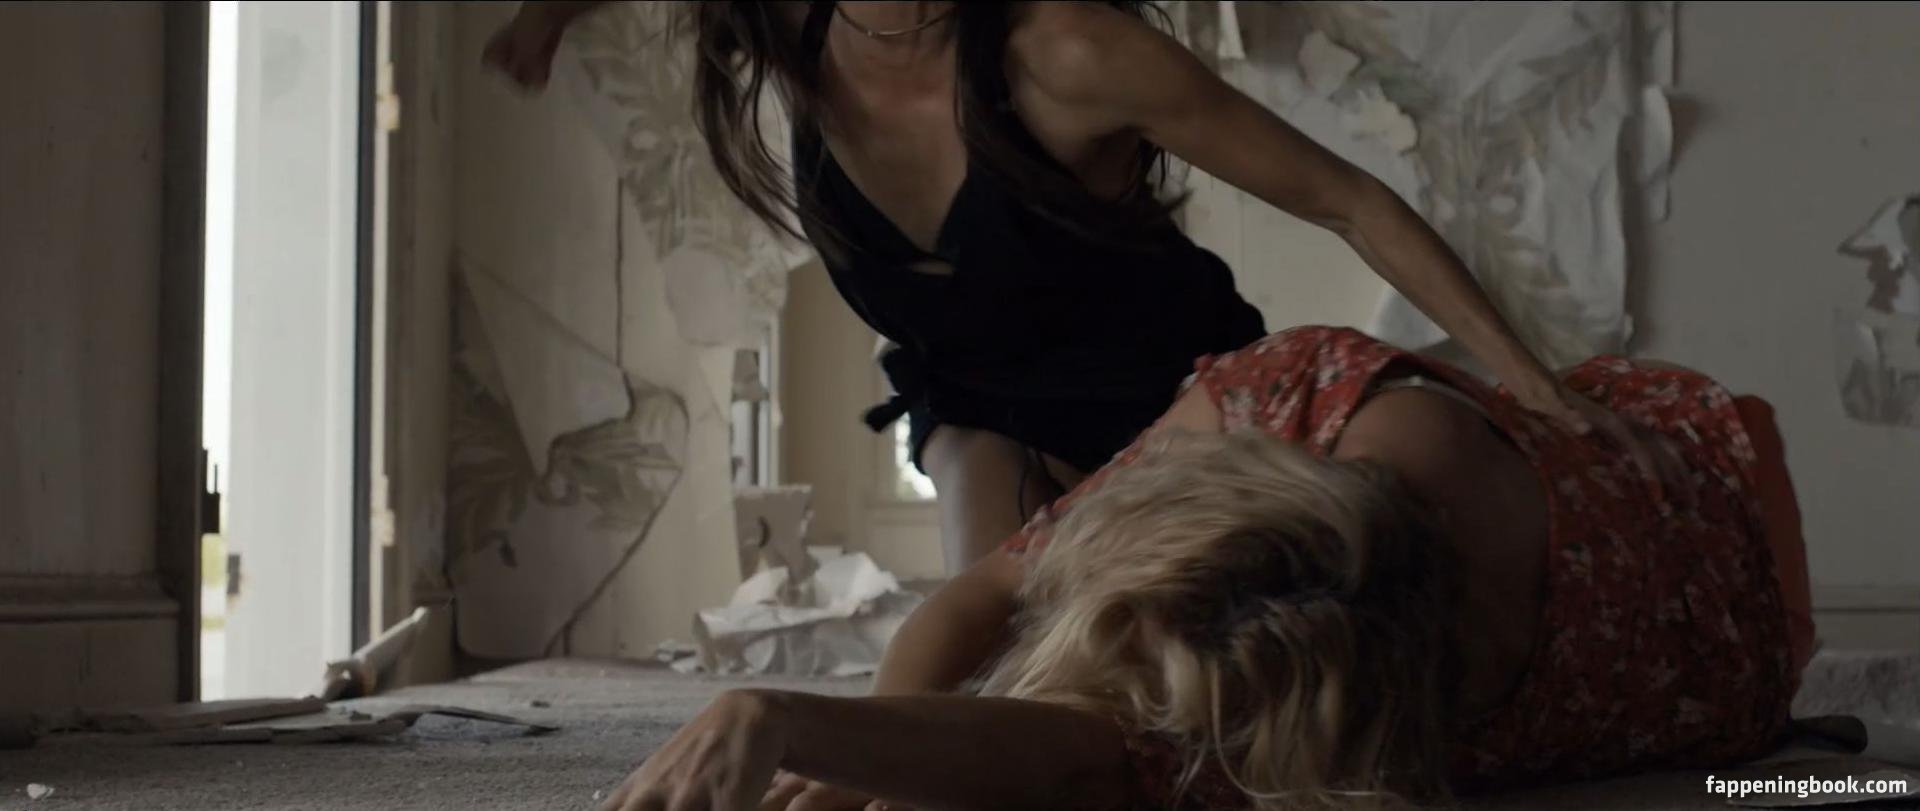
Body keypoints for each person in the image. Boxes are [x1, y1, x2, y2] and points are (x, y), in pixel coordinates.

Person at [484, 2, 1669, 574]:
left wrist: (1533, 384)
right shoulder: (794, 21)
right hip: (985, 409)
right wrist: (541, 23)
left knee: (1258, 672)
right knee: (994, 660)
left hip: (1177, 402)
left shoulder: (1070, 55)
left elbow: (1348, 200)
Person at [599, 326, 1815, 811]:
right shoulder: (1288, 393)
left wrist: (835, 738)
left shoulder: (1340, 708)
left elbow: (1081, 756)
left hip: (1734, 586)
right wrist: (831, 735)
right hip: (1671, 443)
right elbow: (992, 590)